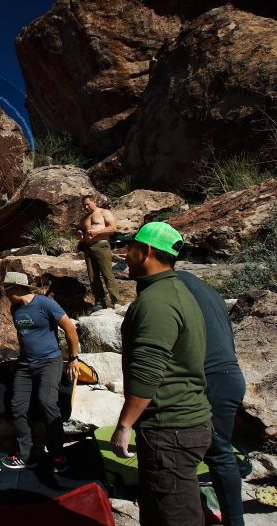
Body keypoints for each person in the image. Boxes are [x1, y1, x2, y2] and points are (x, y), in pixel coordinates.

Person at [111, 222, 212, 526]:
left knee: (175, 516)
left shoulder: (156, 303)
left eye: (131, 248)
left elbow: (147, 373)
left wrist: (124, 425)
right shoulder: (175, 290)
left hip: (170, 429)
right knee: (162, 508)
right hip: (183, 424)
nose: (126, 255)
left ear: (147, 251)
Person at [177, 270, 246, 526]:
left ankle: (233, 521)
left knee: (218, 453)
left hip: (212, 377)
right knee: (217, 450)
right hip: (226, 374)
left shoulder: (175, 286)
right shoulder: (205, 288)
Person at [0, 267, 80, 473]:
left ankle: (57, 454)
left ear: (16, 287)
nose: (5, 294)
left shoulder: (45, 303)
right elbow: (23, 336)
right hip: (25, 365)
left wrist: (73, 358)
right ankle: (25, 454)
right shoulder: (15, 309)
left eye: (6, 289)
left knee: (47, 403)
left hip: (49, 362)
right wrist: (19, 359)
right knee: (17, 407)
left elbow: (69, 329)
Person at [77, 194, 121, 311]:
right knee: (93, 276)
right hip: (88, 247)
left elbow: (113, 228)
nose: (86, 207)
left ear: (94, 202)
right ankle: (100, 301)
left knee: (107, 273)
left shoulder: (103, 212)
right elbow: (80, 233)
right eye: (84, 205)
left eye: (88, 204)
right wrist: (80, 235)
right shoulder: (84, 219)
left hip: (101, 245)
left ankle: (116, 301)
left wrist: (98, 232)